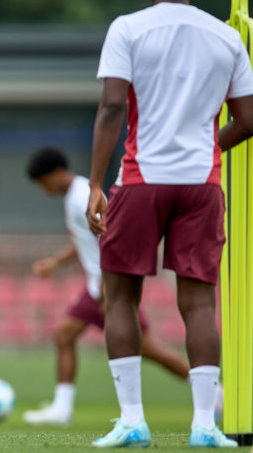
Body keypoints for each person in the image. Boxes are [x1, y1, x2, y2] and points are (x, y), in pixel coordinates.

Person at [86, 0, 253, 447]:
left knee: (120, 297)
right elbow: (246, 119)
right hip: (202, 185)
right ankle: (204, 425)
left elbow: (114, 104)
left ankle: (133, 420)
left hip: (141, 181)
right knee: (199, 304)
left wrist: (96, 182)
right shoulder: (227, 37)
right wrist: (207, 148)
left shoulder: (128, 29)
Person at [23, 147, 190, 426]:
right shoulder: (74, 197)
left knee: (146, 347)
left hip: (107, 285)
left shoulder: (81, 197)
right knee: (64, 335)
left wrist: (105, 283)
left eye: (43, 184)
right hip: (95, 285)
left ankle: (214, 394)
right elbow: (85, 239)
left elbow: (110, 237)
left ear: (54, 174)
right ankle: (62, 409)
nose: (44, 191)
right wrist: (56, 262)